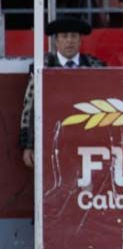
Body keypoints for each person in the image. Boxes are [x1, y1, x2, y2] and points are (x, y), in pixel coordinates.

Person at [19, 18, 105, 168]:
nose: (69, 41)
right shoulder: (42, 67)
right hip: (53, 138)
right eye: (64, 36)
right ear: (56, 41)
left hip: (88, 138)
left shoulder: (96, 66)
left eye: (73, 36)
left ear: (80, 41)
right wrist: (29, 145)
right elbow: (31, 107)